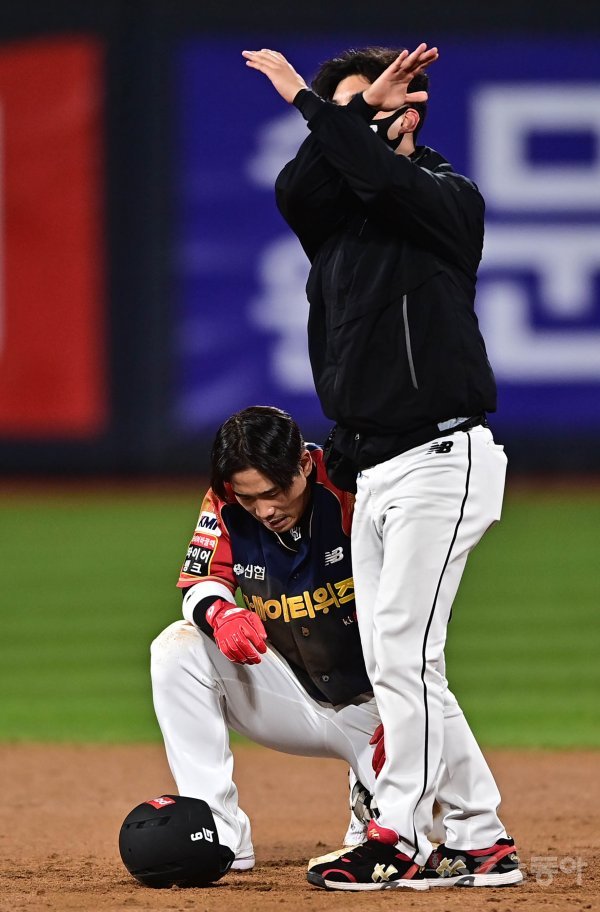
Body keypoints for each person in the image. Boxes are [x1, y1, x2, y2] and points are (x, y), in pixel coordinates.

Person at [243, 45, 523, 890]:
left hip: (443, 456)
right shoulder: (331, 222)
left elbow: (384, 179)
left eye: (393, 99)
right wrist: (346, 115)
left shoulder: (445, 198)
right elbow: (299, 189)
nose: (378, 112)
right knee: (402, 663)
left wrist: (322, 106)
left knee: (404, 655)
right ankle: (480, 836)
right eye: (359, 106)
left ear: (416, 111)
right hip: (372, 470)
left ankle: (397, 835)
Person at [150, 405, 381, 873]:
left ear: (304, 464)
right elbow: (200, 583)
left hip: (374, 707)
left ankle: (373, 800)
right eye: (249, 498)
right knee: (176, 649)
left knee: (418, 830)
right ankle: (218, 831)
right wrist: (222, 613)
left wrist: (408, 712)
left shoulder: (354, 485)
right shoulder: (224, 501)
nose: (264, 511)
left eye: (273, 493)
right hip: (287, 693)